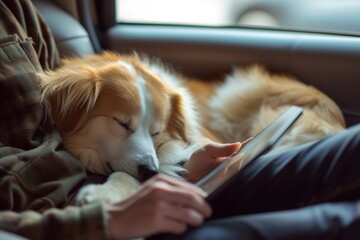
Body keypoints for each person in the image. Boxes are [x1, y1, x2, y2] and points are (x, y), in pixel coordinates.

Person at [1, 0, 360, 239]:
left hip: (141, 191)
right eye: (124, 124)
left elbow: (59, 102)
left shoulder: (17, 8)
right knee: (343, 219)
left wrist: (186, 168)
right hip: (95, 218)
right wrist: (107, 221)